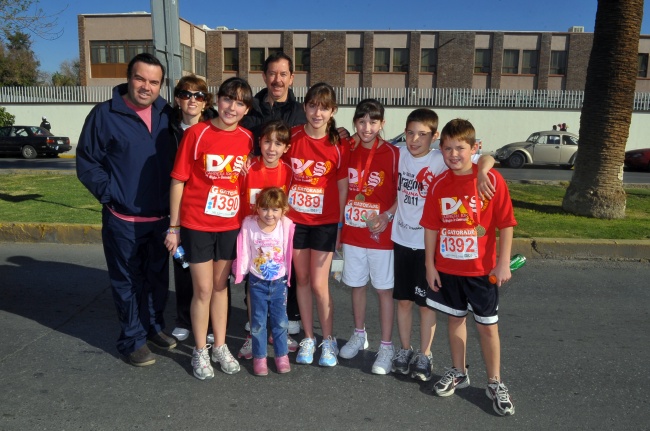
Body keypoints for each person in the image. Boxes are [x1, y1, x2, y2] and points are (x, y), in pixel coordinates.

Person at [76, 53, 176, 367]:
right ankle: (132, 340)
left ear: (161, 85)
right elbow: (88, 162)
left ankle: (153, 327)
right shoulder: (104, 114)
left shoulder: (167, 113)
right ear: (128, 78)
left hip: (160, 219)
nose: (146, 87)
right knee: (128, 282)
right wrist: (112, 195)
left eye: (154, 82)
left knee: (157, 279)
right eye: (140, 78)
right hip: (124, 219)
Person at [390, 108, 495, 382]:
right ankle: (405, 349)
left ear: (434, 137)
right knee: (403, 301)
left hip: (429, 244)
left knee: (426, 304)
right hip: (401, 240)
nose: (415, 139)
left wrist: (483, 171)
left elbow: (485, 156)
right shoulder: (398, 154)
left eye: (422, 134)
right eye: (410, 133)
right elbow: (371, 144)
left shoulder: (441, 157)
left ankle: (425, 354)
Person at [421, 118, 517, 417]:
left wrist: (503, 262)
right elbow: (431, 227)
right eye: (447, 148)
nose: (453, 154)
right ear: (440, 149)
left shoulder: (490, 179)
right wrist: (430, 265)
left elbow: (506, 223)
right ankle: (459, 371)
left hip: (482, 271)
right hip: (448, 269)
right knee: (455, 320)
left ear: (474, 148)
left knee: (487, 327)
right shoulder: (439, 184)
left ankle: (495, 382)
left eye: (460, 148)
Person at [165, 77, 254, 380]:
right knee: (202, 289)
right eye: (228, 99)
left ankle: (220, 346)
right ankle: (200, 349)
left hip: (230, 225)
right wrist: (174, 227)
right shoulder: (196, 133)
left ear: (246, 109)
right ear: (217, 100)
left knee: (220, 287)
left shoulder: (247, 139)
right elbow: (178, 180)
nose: (232, 107)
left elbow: (246, 182)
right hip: (197, 224)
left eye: (239, 103)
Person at [240, 52, 306, 337]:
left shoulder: (302, 112)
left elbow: (320, 134)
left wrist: (339, 133)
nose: (277, 79)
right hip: (253, 201)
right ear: (264, 76)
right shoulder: (250, 109)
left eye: (283, 74)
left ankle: (289, 313)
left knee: (285, 260)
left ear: (292, 78)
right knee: (253, 257)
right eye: (272, 73)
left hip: (284, 198)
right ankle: (254, 315)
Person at [284, 82, 349, 367]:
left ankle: (329, 339)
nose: (317, 113)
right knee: (302, 280)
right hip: (295, 221)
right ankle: (309, 337)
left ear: (333, 111)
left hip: (325, 223)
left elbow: (343, 187)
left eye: (324, 108)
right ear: (305, 107)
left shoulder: (339, 144)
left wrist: (340, 226)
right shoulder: (292, 137)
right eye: (312, 106)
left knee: (320, 285)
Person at [337, 99, 399, 375]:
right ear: (354, 123)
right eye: (361, 121)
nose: (367, 127)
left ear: (382, 124)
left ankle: (386, 346)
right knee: (357, 285)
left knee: (384, 290)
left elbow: (405, 194)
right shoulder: (346, 149)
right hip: (352, 233)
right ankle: (359, 334)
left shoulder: (393, 154)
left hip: (380, 236)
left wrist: (387, 216)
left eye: (373, 122)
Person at [237, 120, 297, 360]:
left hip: (274, 241)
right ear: (259, 143)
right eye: (267, 142)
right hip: (251, 237)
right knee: (253, 286)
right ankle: (254, 335)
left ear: (286, 148)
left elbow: (287, 205)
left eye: (278, 144)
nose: (272, 148)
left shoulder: (288, 171)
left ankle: (278, 331)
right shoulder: (247, 166)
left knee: (278, 285)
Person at [168, 75, 217, 343]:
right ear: (178, 99)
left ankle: (209, 324)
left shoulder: (215, 128)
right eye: (186, 95)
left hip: (207, 210)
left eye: (199, 96)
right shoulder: (167, 129)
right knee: (183, 265)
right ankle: (184, 319)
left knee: (212, 275)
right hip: (179, 207)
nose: (192, 100)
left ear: (206, 101)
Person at [232, 187, 296, 376]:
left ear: (283, 210)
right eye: (265, 209)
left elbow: (288, 252)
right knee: (258, 322)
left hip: (279, 282)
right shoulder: (249, 225)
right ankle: (259, 357)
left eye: (275, 209)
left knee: (281, 322)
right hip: (257, 282)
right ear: (257, 208)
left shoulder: (285, 226)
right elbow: (245, 249)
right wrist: (240, 271)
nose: (269, 214)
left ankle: (281, 356)